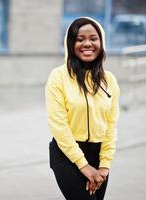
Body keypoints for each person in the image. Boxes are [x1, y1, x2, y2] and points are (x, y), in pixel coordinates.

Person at [45, 17, 120, 200]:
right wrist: (83, 165)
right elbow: (58, 125)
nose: (87, 43)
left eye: (93, 38)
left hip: (98, 155)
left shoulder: (109, 80)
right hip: (67, 156)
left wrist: (104, 165)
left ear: (101, 42)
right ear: (71, 44)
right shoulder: (58, 77)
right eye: (80, 39)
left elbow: (111, 125)